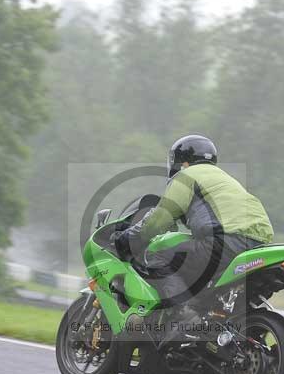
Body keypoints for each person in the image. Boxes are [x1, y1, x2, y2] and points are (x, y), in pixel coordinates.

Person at [114, 134, 273, 338]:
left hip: (224, 243)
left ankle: (183, 314)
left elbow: (160, 219)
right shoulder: (225, 179)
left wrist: (128, 238)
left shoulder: (187, 176)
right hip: (260, 246)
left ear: (182, 162)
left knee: (159, 256)